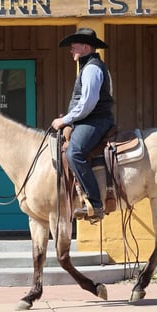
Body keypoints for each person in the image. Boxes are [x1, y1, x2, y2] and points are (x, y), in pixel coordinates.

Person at [51, 28, 115, 223]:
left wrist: (65, 120)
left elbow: (87, 103)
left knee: (74, 153)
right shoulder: (89, 67)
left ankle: (95, 204)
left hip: (95, 120)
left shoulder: (92, 68)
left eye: (74, 46)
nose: (71, 50)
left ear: (86, 46)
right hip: (90, 119)